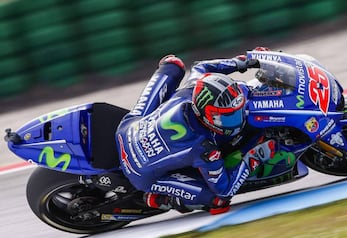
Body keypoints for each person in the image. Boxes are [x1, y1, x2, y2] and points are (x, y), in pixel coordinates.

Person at [115, 48, 276, 215]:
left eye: (236, 112)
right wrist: (254, 157)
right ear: (206, 116)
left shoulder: (192, 89)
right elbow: (225, 189)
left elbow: (201, 66)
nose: (236, 121)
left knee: (173, 64)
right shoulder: (203, 146)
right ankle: (158, 199)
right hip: (140, 172)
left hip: (129, 127)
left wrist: (243, 62)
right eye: (226, 118)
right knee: (219, 201)